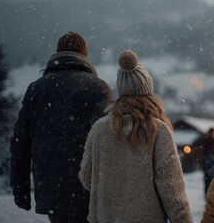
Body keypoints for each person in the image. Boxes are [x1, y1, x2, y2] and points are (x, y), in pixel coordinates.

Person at [78, 50, 193, 223]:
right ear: (148, 92)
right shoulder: (157, 130)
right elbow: (172, 192)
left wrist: (113, 190)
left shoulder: (98, 129)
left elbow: (86, 178)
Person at [10, 31, 112, 223]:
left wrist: (20, 190)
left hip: (49, 189)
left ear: (58, 54)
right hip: (86, 191)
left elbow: (19, 142)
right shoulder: (97, 88)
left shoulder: (36, 89)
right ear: (84, 56)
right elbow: (106, 142)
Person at [193, 127, 214, 197]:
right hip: (209, 162)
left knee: (208, 180)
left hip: (207, 162)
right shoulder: (209, 140)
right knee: (210, 179)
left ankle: (208, 195)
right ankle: (210, 195)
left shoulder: (204, 140)